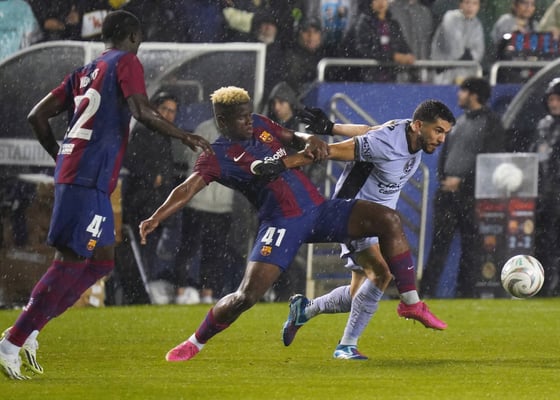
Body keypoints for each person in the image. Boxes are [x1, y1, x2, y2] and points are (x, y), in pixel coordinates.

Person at [0, 10, 212, 380]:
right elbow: (141, 111)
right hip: (86, 178)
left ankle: (30, 330)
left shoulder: (85, 71)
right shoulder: (126, 62)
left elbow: (37, 116)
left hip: (89, 178)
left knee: (101, 262)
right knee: (70, 261)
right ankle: (11, 342)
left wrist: (61, 155)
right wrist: (184, 136)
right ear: (134, 37)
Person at [139, 86, 422, 362]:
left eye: (249, 114)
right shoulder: (216, 156)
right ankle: (195, 342)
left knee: (388, 220)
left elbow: (293, 136)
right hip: (281, 225)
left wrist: (310, 140)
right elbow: (187, 189)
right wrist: (156, 216)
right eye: (241, 117)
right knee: (245, 297)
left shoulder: (261, 125)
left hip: (319, 210)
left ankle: (410, 302)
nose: (249, 120)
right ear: (222, 121)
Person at [279, 100, 455, 359]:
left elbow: (368, 130)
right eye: (438, 131)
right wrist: (282, 164)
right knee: (382, 274)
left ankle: (305, 310)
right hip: (353, 214)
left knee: (356, 295)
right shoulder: (388, 142)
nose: (441, 139)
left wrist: (331, 126)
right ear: (419, 125)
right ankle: (346, 346)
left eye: (445, 133)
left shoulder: (404, 131)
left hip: (380, 223)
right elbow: (329, 151)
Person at [420, 77, 505, 298]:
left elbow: (490, 161)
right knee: (439, 245)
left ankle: (465, 293)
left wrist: (463, 182)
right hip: (447, 194)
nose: (459, 94)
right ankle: (425, 293)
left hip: (472, 196)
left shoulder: (492, 123)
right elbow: (446, 155)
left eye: (463, 91)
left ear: (474, 95)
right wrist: (444, 180)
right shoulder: (459, 121)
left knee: (471, 247)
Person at [121, 91, 184, 305]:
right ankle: (139, 295)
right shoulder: (144, 129)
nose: (168, 114)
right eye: (164, 109)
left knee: (151, 250)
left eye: (172, 111)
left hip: (156, 203)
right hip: (141, 202)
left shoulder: (164, 133)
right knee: (140, 251)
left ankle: (145, 293)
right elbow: (129, 159)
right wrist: (151, 177)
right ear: (155, 108)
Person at [176, 117, 244, 305]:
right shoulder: (204, 128)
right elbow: (191, 159)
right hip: (198, 202)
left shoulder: (238, 134)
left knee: (213, 253)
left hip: (222, 205)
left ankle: (207, 293)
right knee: (189, 249)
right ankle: (180, 292)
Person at [530, 77, 560, 296]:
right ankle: (543, 285)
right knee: (543, 240)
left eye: (558, 99)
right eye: (551, 99)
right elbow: (534, 158)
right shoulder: (543, 125)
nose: (554, 103)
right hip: (544, 196)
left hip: (555, 193)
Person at [345, 0, 416, 82]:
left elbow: (403, 45)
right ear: (371, 3)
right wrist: (393, 57)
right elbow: (365, 51)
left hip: (391, 78)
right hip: (368, 79)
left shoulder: (393, 24)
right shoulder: (364, 23)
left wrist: (408, 56)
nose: (381, 2)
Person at [430, 0, 484, 84]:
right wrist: (467, 55)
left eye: (474, 4)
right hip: (444, 74)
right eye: (467, 2)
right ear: (460, 4)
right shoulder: (450, 17)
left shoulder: (477, 23)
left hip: (466, 75)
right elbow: (454, 49)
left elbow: (479, 52)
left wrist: (468, 56)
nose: (470, 7)